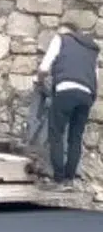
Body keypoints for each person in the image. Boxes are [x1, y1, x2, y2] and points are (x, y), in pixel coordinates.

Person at [36, 19, 100, 191]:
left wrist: (39, 80)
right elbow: (96, 77)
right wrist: (90, 97)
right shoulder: (90, 49)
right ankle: (69, 180)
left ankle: (58, 179)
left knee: (56, 133)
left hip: (66, 90)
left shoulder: (61, 39)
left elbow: (44, 67)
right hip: (86, 94)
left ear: (68, 31)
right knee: (75, 137)